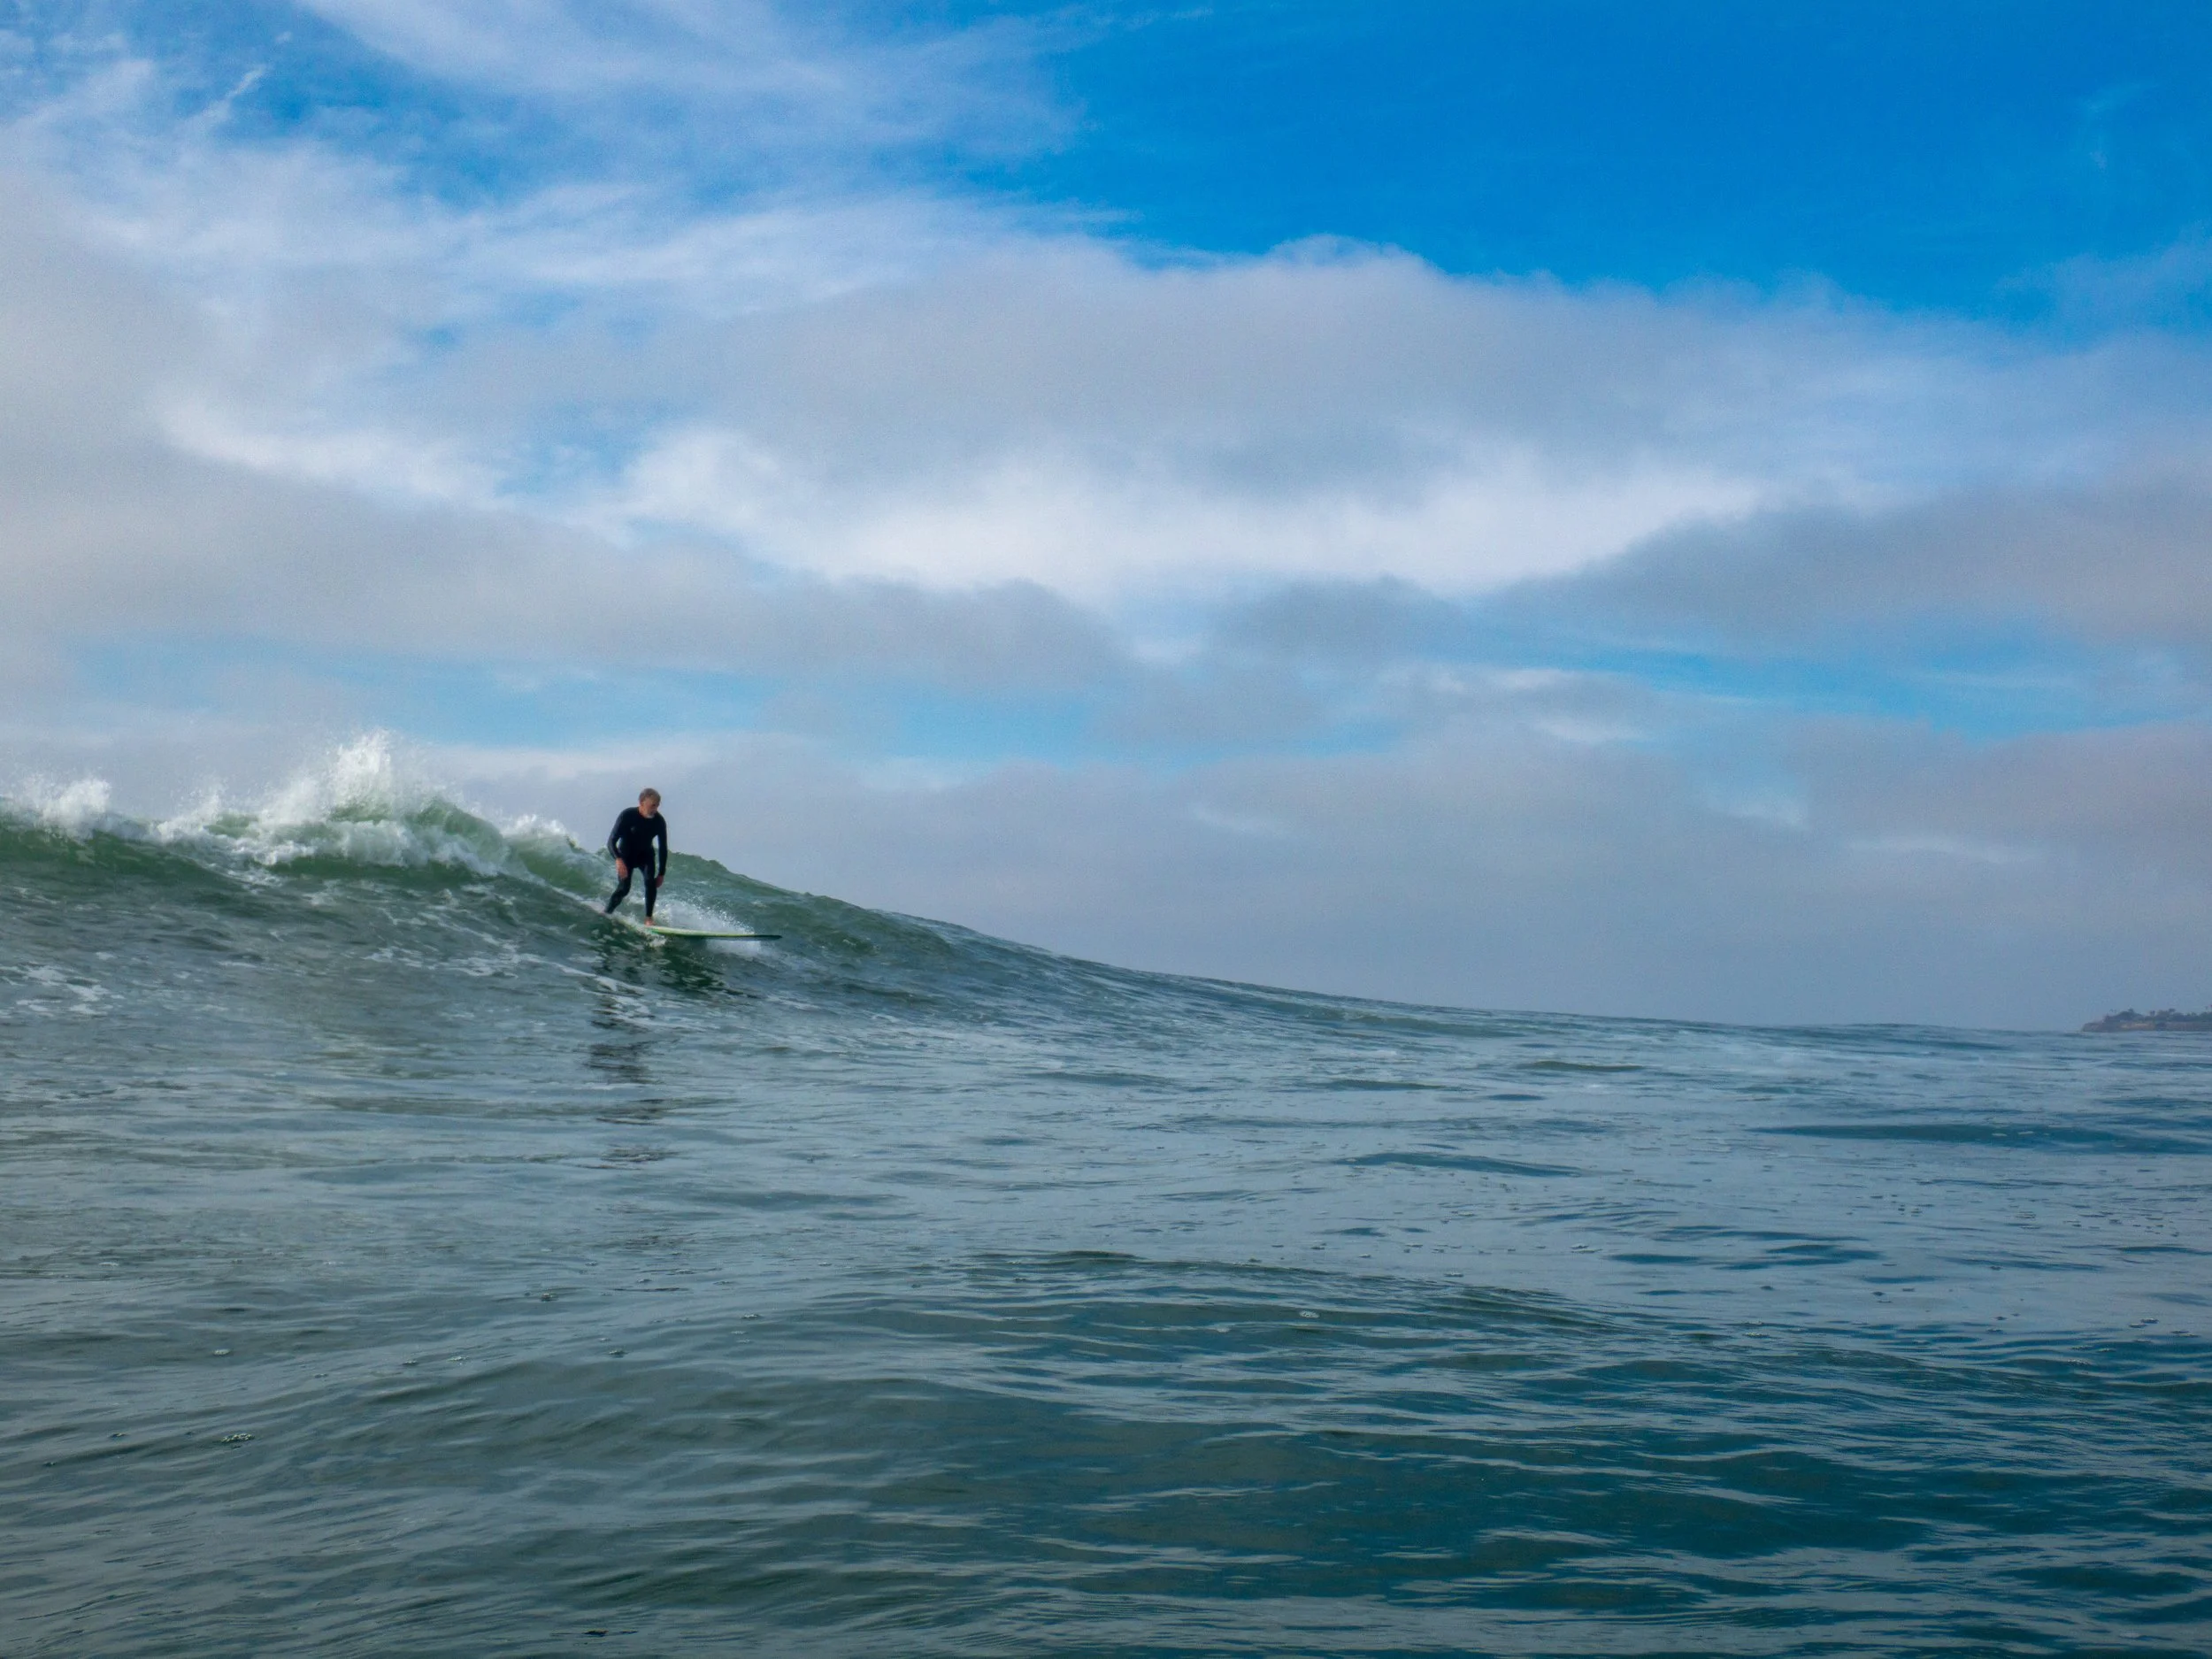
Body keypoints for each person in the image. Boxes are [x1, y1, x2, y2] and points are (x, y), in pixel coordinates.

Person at [604, 788, 670, 923]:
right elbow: (611, 841)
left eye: (657, 805)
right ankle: (607, 912)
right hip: (626, 856)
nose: (655, 809)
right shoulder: (628, 815)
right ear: (641, 802)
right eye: (653, 805)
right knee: (624, 888)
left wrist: (662, 873)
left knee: (649, 882)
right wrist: (618, 860)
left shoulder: (659, 821)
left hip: (645, 856)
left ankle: (648, 918)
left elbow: (663, 848)